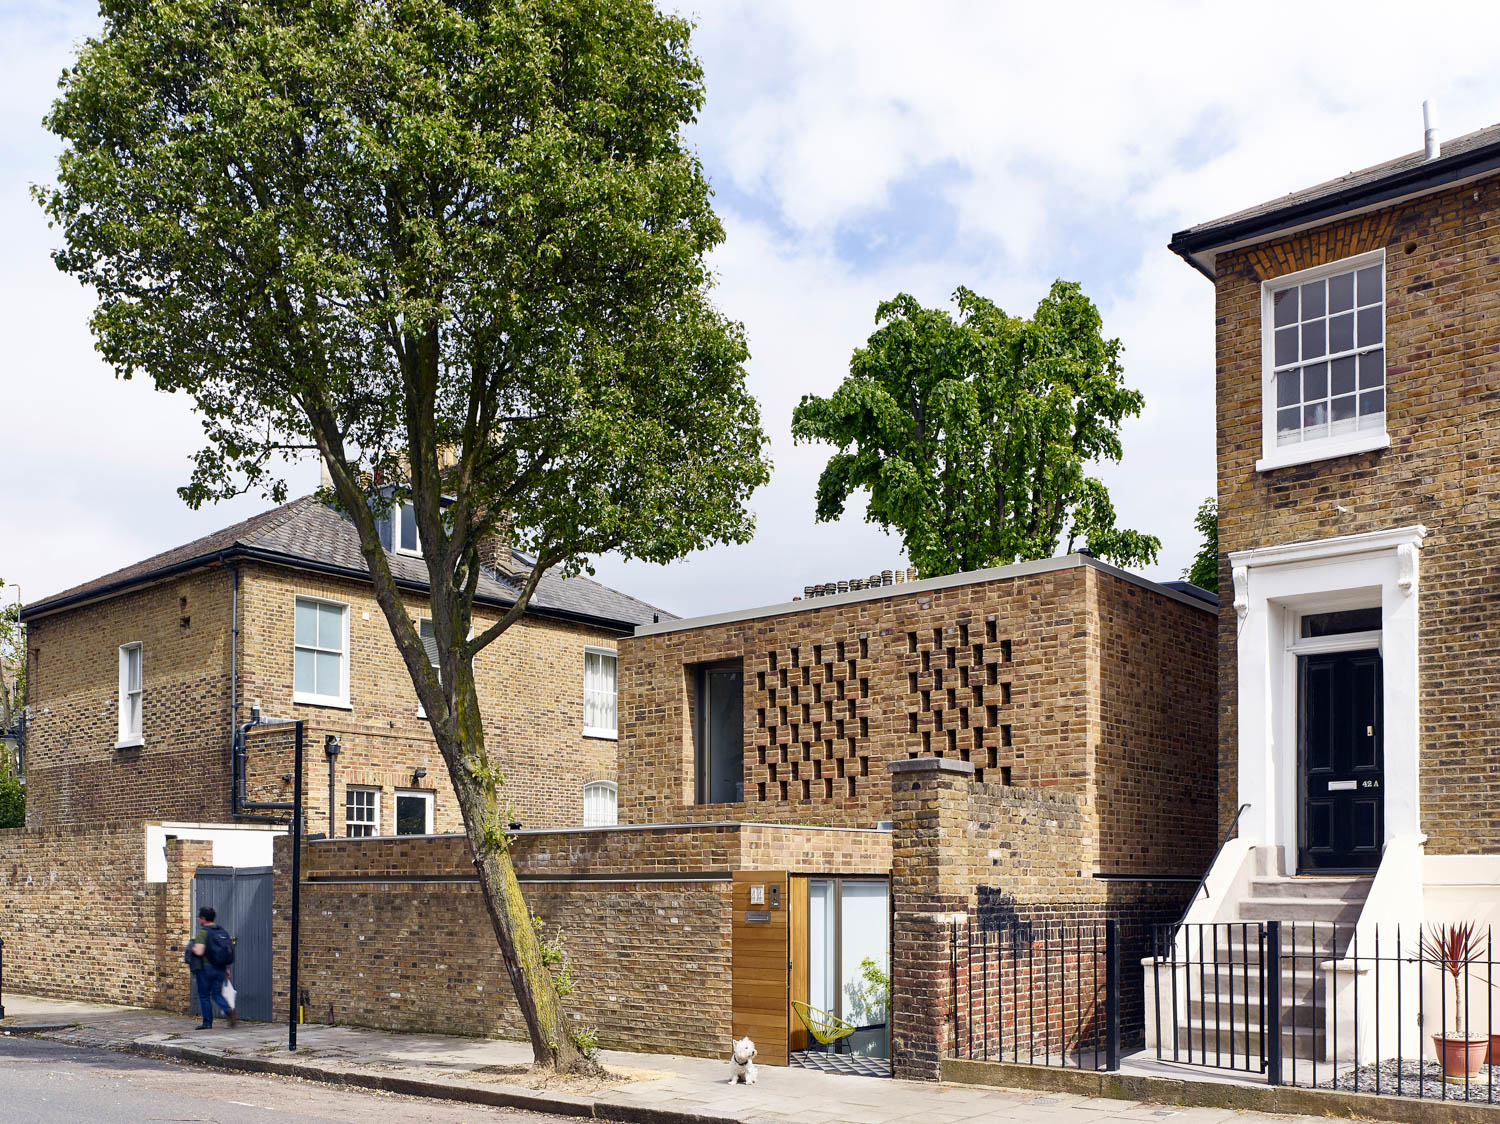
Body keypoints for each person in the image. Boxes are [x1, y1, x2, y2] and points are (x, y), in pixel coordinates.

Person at [188, 905, 237, 1029]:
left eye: (200, 918)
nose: (199, 920)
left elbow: (199, 951)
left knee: (204, 995)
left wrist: (191, 946)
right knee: (217, 994)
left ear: (204, 918)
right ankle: (228, 1011)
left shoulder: (203, 933)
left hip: (206, 969)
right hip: (220, 968)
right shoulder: (221, 931)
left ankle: (207, 1023)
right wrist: (226, 969)